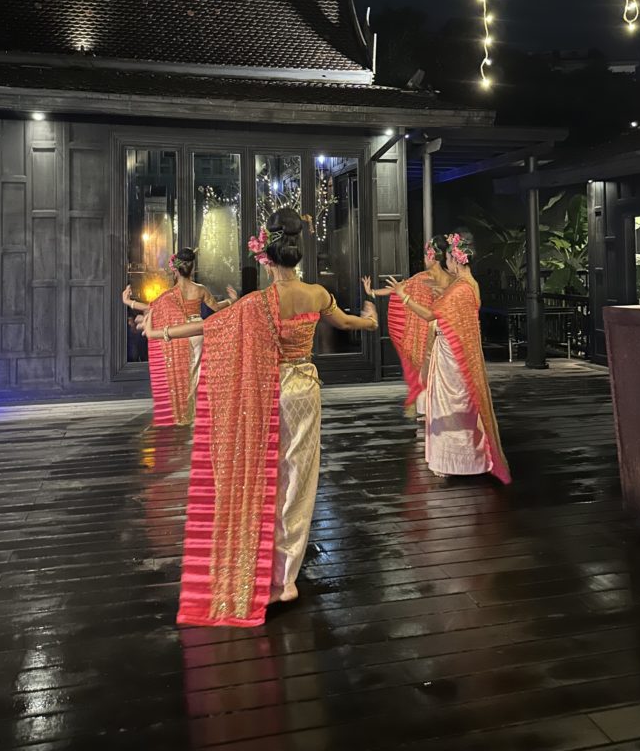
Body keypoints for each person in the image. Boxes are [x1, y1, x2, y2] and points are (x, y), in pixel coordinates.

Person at [143, 207, 379, 626]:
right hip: (305, 388)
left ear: (265, 256)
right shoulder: (317, 295)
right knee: (299, 477)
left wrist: (161, 332)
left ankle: (259, 563)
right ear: (297, 254)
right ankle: (286, 577)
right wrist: (371, 315)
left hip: (268, 391)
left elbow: (208, 329)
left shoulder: (256, 304)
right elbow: (349, 322)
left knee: (262, 473)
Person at [386, 233, 511, 485]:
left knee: (452, 405)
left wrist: (404, 296)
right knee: (462, 404)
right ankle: (469, 459)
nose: (447, 263)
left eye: (448, 259)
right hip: (456, 350)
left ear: (455, 260)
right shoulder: (468, 285)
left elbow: (431, 315)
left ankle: (456, 461)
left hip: (451, 354)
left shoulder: (461, 289)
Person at [122, 249, 237, 427]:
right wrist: (232, 301)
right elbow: (215, 308)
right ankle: (200, 413)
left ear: (175, 270)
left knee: (185, 374)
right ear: (193, 269)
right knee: (198, 372)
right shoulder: (200, 290)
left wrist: (129, 302)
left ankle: (186, 412)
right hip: (198, 331)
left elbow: (151, 308)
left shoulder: (169, 295)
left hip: (180, 333)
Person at [362, 238, 452, 414]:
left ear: (433, 257)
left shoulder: (438, 280)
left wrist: (372, 292)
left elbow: (399, 290)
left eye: (426, 254)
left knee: (432, 367)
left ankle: (434, 406)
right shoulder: (426, 279)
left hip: (435, 329)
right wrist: (371, 292)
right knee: (427, 367)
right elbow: (397, 289)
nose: (424, 258)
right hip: (428, 327)